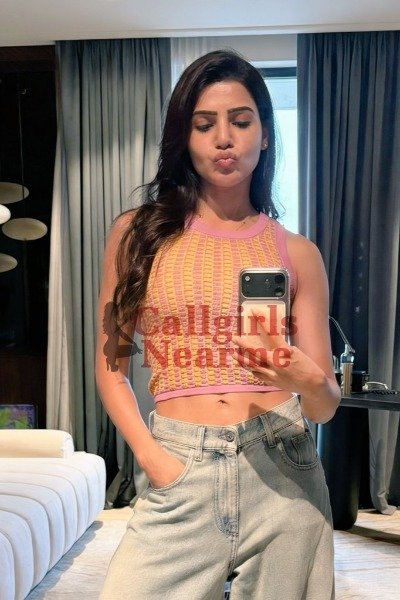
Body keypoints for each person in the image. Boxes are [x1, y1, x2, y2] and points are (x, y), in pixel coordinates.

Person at [96, 49, 340, 600]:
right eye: (204, 125)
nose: (224, 139)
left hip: (283, 467)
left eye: (241, 121)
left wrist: (304, 378)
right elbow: (110, 368)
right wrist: (152, 458)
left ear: (265, 134)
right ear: (184, 137)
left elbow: (323, 405)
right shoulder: (136, 235)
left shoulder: (298, 254)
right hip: (179, 464)